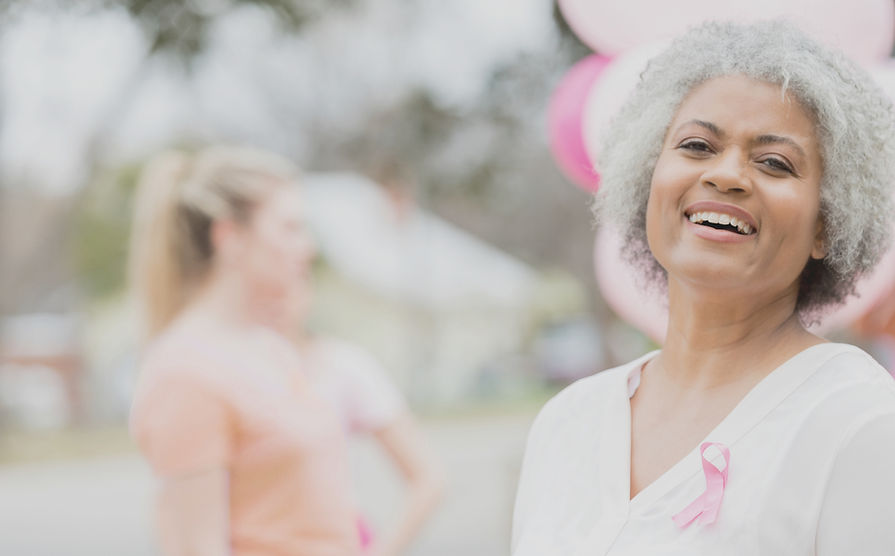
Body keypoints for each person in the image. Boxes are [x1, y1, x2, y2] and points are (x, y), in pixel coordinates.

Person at [512, 20, 895, 555]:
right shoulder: (567, 421)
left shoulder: (863, 426)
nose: (727, 174)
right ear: (648, 178)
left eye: (774, 162)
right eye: (696, 145)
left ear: (827, 224)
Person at [128, 146, 360, 555]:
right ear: (229, 237)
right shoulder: (184, 373)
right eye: (290, 228)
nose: (308, 248)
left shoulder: (270, 346)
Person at [274, 247, 445, 556]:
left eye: (289, 281)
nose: (277, 295)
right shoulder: (221, 372)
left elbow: (428, 478)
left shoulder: (343, 366)